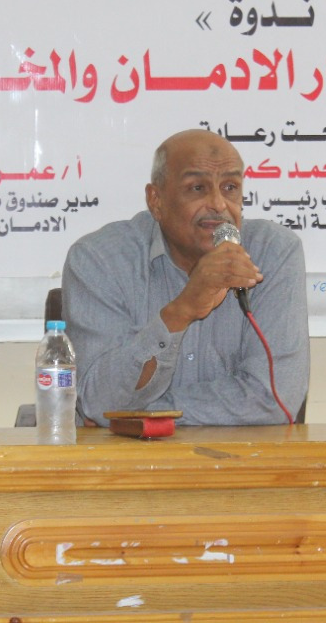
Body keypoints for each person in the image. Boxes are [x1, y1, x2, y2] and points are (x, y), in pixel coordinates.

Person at [62, 129, 309, 426]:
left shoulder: (273, 252)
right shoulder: (99, 259)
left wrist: (139, 414)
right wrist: (181, 311)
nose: (219, 204)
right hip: (126, 456)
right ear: (156, 201)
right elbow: (97, 401)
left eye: (230, 187)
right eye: (197, 188)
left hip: (238, 455)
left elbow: (273, 399)